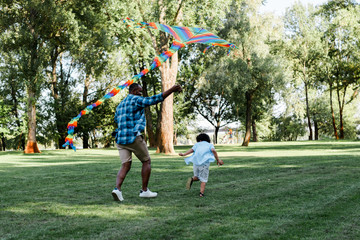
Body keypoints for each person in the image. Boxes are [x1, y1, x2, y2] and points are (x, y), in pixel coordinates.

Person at [111, 83, 182, 201]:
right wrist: (172, 90)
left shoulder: (120, 105)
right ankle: (144, 191)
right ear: (133, 91)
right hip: (132, 137)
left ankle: (117, 189)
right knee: (146, 161)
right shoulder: (135, 100)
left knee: (125, 165)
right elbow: (153, 100)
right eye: (139, 91)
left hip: (120, 139)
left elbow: (116, 119)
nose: (141, 93)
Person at [179, 133, 223, 197]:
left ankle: (192, 179)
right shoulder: (210, 145)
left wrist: (183, 154)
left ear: (199, 140)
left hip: (196, 164)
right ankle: (201, 194)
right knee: (203, 179)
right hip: (204, 164)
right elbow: (213, 150)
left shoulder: (197, 144)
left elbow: (191, 150)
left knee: (197, 177)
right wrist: (218, 160)